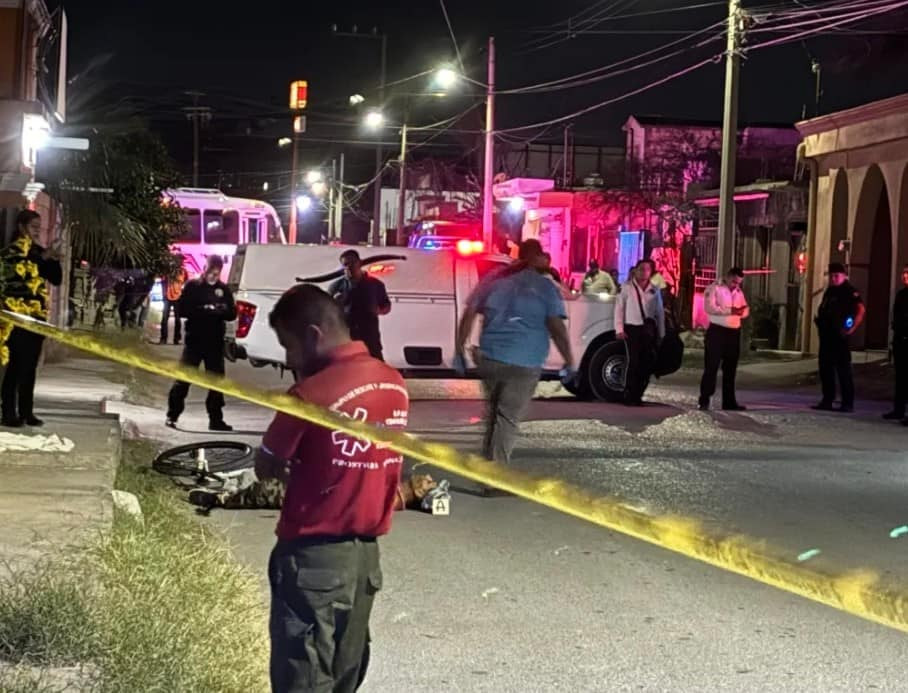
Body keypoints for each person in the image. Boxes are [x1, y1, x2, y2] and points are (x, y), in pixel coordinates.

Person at [254, 283, 409, 693]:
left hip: (312, 559)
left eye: (289, 346)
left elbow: (266, 465)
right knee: (344, 673)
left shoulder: (308, 394)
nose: (289, 360)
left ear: (313, 335)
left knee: (303, 676)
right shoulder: (393, 383)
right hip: (365, 563)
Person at [456, 239, 574, 475]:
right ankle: (495, 477)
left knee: (495, 415)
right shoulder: (544, 286)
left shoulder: (494, 279)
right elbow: (556, 327)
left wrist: (461, 348)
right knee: (507, 418)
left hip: (490, 358)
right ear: (536, 257)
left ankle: (487, 466)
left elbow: (469, 313)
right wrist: (569, 359)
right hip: (524, 361)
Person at [0, 210, 63, 428]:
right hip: (15, 317)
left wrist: (54, 259)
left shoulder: (39, 252)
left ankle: (27, 412)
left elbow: (55, 279)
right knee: (16, 366)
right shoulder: (11, 253)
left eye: (39, 227)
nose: (37, 231)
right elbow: (21, 271)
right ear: (21, 227)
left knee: (30, 366)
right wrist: (44, 257)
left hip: (36, 319)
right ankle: (9, 412)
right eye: (34, 226)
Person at [166, 256, 236, 431]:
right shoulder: (193, 286)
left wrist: (221, 310)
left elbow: (232, 314)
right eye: (211, 272)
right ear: (205, 269)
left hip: (214, 341)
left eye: (217, 273)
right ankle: (172, 415)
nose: (213, 276)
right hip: (195, 341)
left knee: (216, 382)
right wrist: (204, 309)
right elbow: (183, 309)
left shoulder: (223, 289)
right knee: (183, 379)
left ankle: (216, 419)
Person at [813, 262, 865, 413]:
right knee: (826, 369)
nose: (833, 279)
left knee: (843, 370)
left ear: (844, 276)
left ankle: (847, 403)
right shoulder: (830, 291)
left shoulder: (849, 291)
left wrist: (851, 329)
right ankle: (827, 399)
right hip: (826, 336)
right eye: (831, 276)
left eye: (836, 276)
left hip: (839, 337)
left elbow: (860, 310)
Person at [615, 260, 665, 406]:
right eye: (641, 269)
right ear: (635, 270)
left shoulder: (654, 290)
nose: (644, 272)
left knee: (646, 363)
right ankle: (629, 394)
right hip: (632, 328)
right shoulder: (626, 288)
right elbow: (619, 309)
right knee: (633, 362)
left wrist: (661, 333)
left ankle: (638, 394)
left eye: (647, 270)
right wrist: (619, 329)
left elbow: (659, 312)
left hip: (648, 330)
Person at [698, 267, 750, 411]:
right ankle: (704, 400)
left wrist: (741, 312)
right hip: (717, 331)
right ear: (728, 276)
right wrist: (730, 311)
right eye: (734, 281)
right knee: (712, 366)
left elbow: (745, 309)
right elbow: (709, 308)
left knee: (730, 368)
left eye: (738, 282)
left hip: (733, 332)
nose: (736, 285)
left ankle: (729, 402)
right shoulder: (714, 288)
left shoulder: (738, 292)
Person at [329, 249, 391, 360]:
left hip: (370, 340)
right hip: (346, 341)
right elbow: (326, 312)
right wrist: (335, 304)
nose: (349, 267)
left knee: (375, 368)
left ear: (360, 263)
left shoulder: (375, 285)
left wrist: (378, 310)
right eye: (345, 265)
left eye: (352, 263)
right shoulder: (336, 287)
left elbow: (386, 306)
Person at [885, 264, 908, 420]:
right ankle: (898, 410)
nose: (905, 276)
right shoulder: (901, 294)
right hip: (900, 340)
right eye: (904, 272)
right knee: (900, 378)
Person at [160, 263, 186, 345]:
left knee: (178, 319)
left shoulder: (181, 271)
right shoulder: (167, 271)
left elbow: (184, 281)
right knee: (164, 318)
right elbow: (162, 281)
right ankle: (163, 338)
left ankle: (176, 339)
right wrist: (164, 293)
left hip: (177, 297)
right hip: (167, 296)